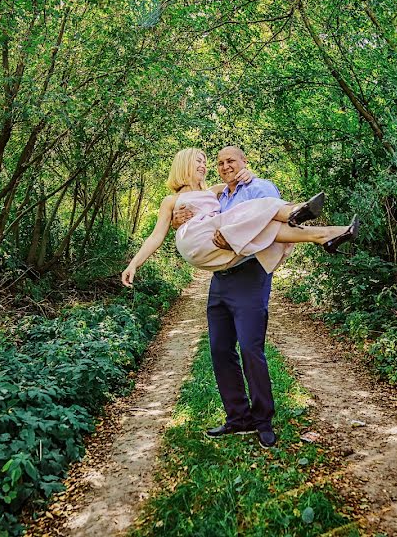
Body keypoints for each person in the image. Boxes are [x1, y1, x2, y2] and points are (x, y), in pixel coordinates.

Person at [121, 147, 358, 447]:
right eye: (202, 162)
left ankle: (259, 421)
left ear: (243, 163)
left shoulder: (223, 192)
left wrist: (248, 176)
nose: (208, 167)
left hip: (240, 270)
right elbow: (157, 235)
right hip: (214, 269)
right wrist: (134, 263)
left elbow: (242, 192)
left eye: (214, 163)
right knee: (220, 350)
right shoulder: (177, 200)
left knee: (249, 348)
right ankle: (238, 418)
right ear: (183, 165)